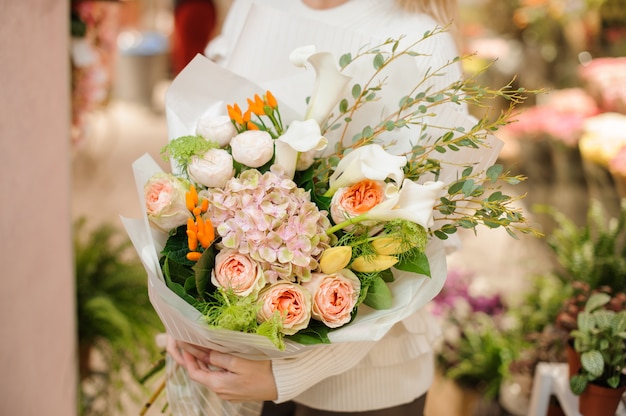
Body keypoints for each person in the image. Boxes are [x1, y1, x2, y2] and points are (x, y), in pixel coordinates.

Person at [167, 1, 463, 415]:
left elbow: (431, 234)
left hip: (361, 388)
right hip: (236, 371)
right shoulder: (253, 7)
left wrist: (289, 374)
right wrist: (187, 309)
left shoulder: (421, 41)